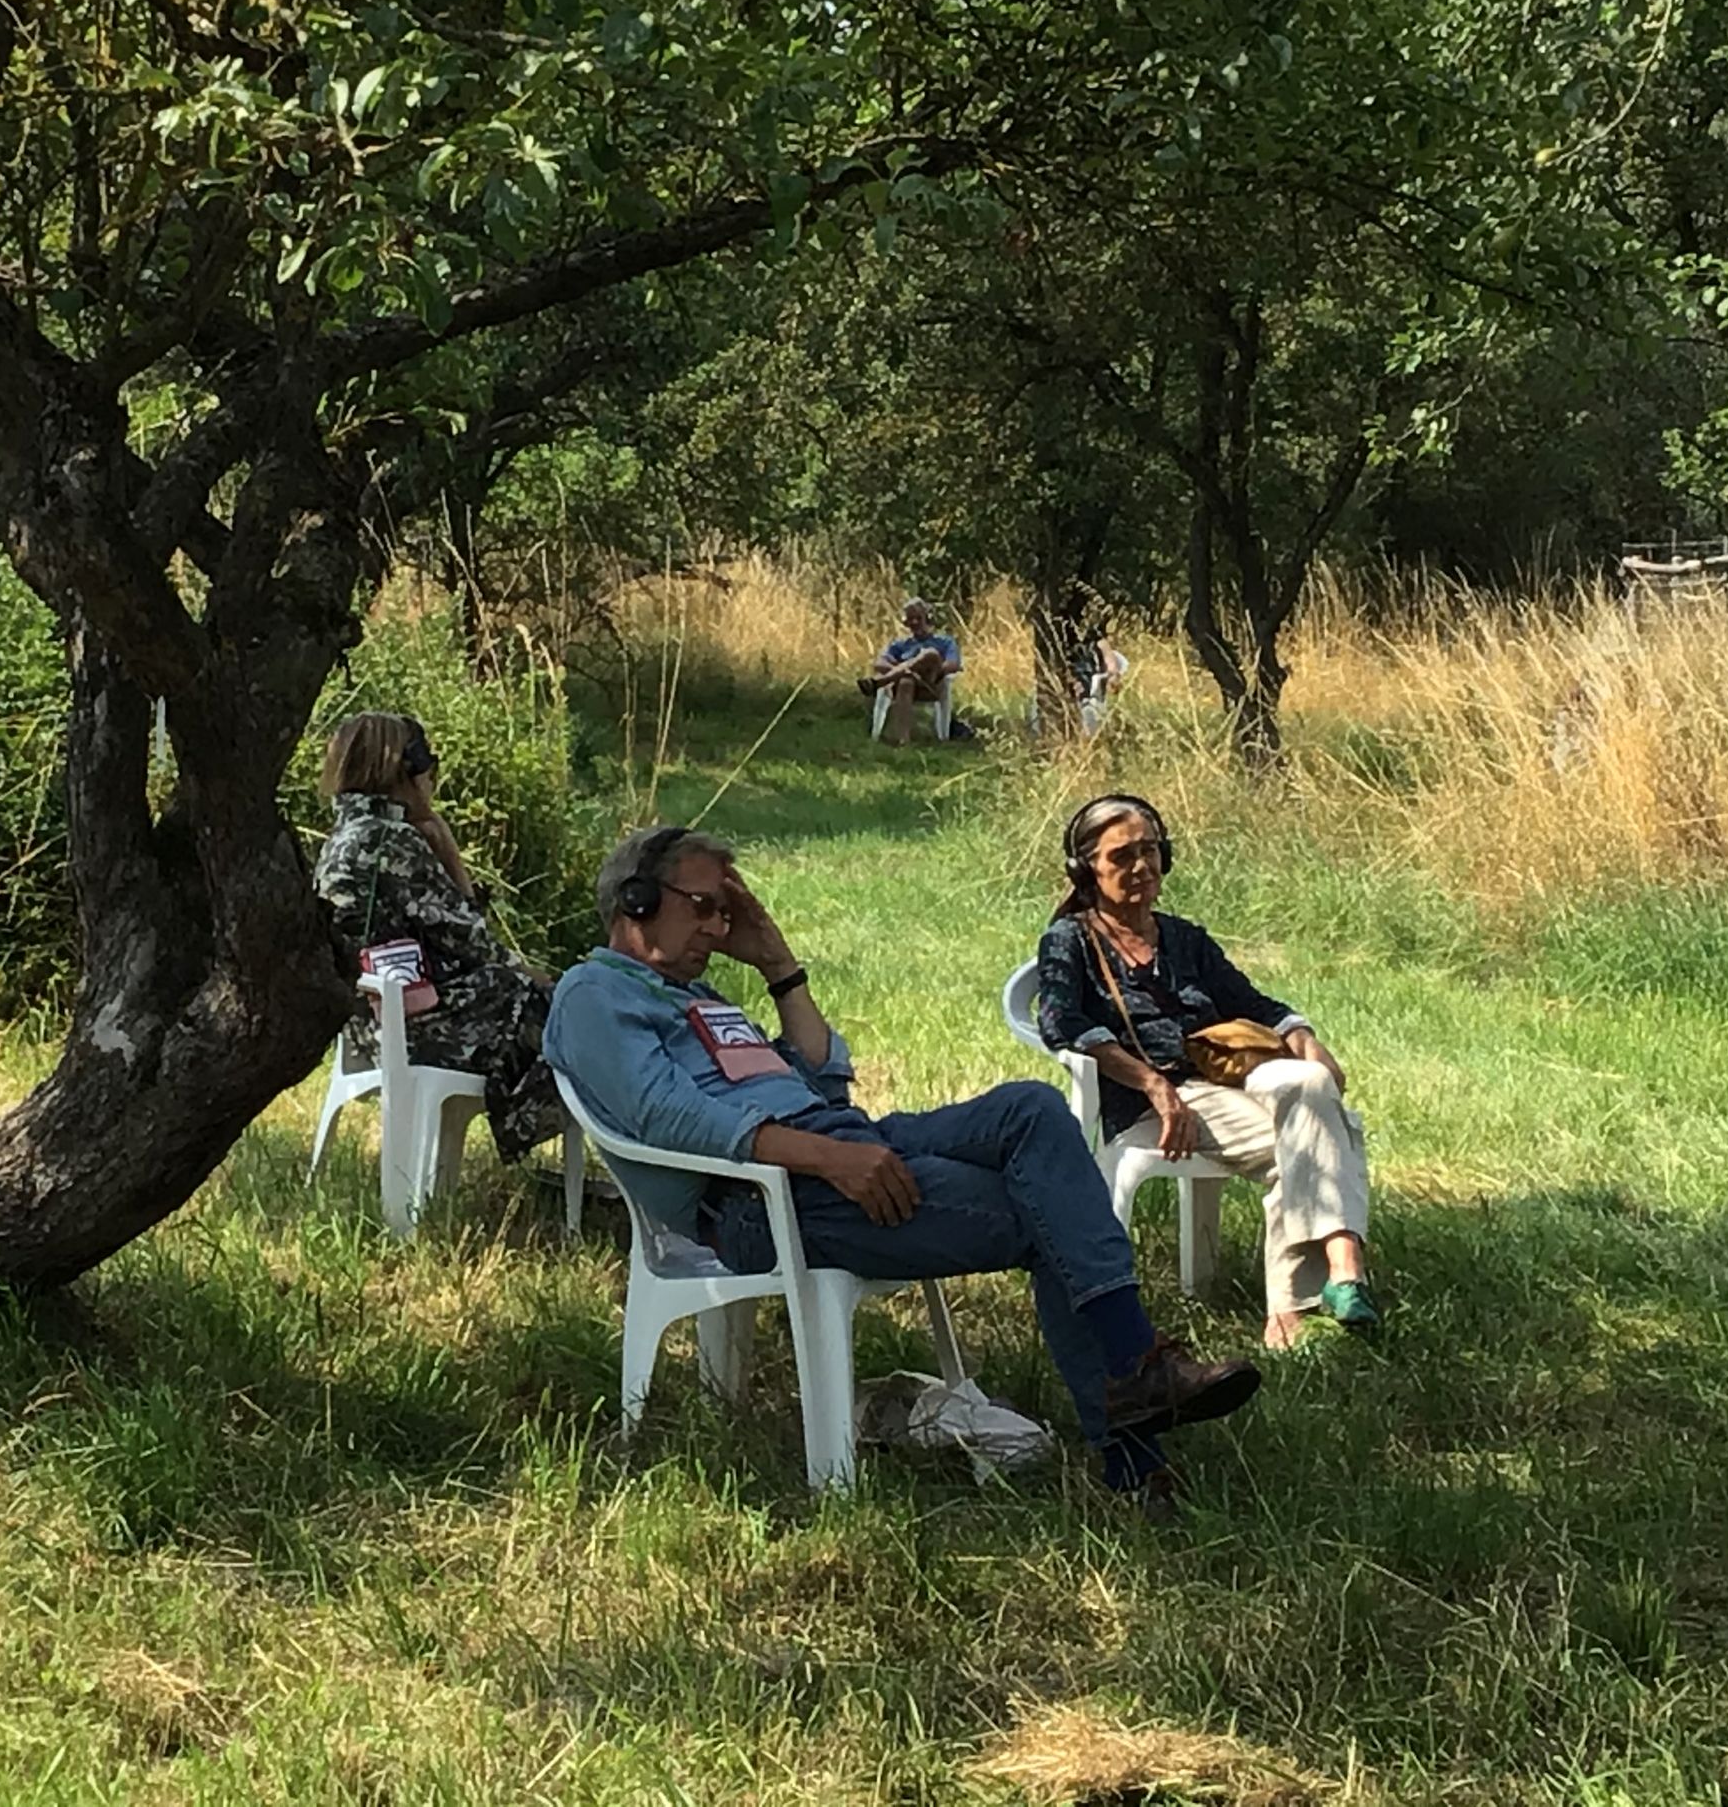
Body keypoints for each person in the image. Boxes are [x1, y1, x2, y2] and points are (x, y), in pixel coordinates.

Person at [544, 824, 1263, 1502]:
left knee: (1030, 1111)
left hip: (836, 1141)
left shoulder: (697, 996)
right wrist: (828, 1158)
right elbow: (669, 1115)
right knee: (1050, 1209)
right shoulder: (593, 993)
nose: (715, 928)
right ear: (636, 903)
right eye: (704, 908)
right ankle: (1134, 1442)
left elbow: (822, 1080)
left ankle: (1135, 1384)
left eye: (724, 913)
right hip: (760, 1200)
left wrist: (779, 967)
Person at [1033, 794, 1378, 1348]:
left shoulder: (1184, 938)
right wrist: (1154, 1085)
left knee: (1310, 1085)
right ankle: (1300, 1309)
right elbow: (1059, 1023)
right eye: (1122, 856)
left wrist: (1306, 1038)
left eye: (1150, 852)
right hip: (1150, 1100)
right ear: (1087, 869)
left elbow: (1253, 1004)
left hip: (1226, 1075)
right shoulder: (1071, 940)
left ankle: (1341, 1273)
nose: (1141, 867)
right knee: (1322, 1137)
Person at [312, 712, 565, 1164]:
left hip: (369, 1024)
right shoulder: (391, 844)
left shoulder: (346, 836)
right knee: (569, 1009)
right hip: (414, 1029)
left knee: (546, 995)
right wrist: (449, 854)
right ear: (406, 771)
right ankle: (572, 1137)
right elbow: (474, 943)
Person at [860, 597, 962, 745]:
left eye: (918, 618)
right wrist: (906, 671)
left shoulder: (944, 641)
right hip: (906, 682)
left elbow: (953, 664)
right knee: (905, 683)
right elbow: (879, 663)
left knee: (930, 654)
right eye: (910, 619)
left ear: (927, 618)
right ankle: (904, 740)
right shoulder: (900, 644)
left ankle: (879, 682)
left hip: (932, 682)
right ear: (906, 622)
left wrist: (925, 668)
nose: (914, 623)